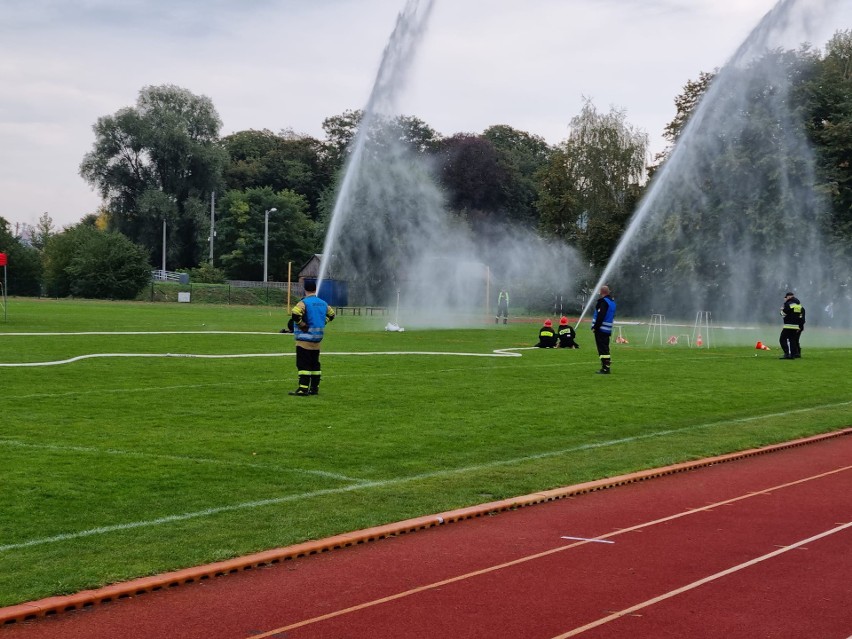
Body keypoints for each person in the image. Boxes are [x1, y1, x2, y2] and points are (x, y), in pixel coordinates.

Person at [289, 280, 335, 396]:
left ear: (305, 290)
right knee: (315, 365)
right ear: (315, 289)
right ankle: (314, 388)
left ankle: (303, 389)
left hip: (304, 340)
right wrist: (323, 322)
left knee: (303, 364)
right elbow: (332, 314)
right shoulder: (323, 303)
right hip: (317, 340)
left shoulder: (304, 302)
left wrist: (302, 325)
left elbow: (295, 314)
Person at [591, 285, 616, 374]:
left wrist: (595, 327)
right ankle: (606, 366)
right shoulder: (612, 302)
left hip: (601, 330)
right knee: (605, 348)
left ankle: (605, 368)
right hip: (607, 329)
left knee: (602, 349)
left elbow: (600, 316)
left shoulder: (603, 302)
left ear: (601, 292)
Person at [779, 292, 804, 360]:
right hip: (795, 326)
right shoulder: (799, 305)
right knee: (792, 340)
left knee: (782, 339)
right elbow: (801, 316)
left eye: (786, 297)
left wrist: (781, 310)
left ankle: (787, 354)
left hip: (788, 325)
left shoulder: (788, 304)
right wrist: (800, 326)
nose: (786, 299)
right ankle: (792, 355)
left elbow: (783, 314)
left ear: (789, 297)